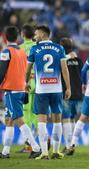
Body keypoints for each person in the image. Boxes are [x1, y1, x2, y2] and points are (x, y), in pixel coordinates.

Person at [25, 25, 71, 160]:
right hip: (56, 89)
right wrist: (68, 87)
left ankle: (44, 152)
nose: (34, 36)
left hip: (42, 90)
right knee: (57, 121)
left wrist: (26, 82)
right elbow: (64, 69)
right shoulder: (59, 48)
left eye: (36, 33)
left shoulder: (35, 48)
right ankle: (56, 151)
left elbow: (28, 70)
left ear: (42, 34)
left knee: (42, 121)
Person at [0, 26, 41, 159]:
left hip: (12, 89)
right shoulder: (22, 51)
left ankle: (35, 147)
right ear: (17, 37)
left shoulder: (7, 51)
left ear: (5, 37)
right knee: (9, 120)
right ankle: (5, 152)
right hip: (21, 88)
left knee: (18, 119)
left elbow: (1, 71)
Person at [60, 37, 83, 152]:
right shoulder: (79, 60)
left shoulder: (63, 60)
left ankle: (68, 145)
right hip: (78, 93)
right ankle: (72, 143)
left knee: (65, 119)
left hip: (66, 92)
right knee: (72, 118)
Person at [19, 24, 38, 153]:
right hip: (38, 85)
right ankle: (39, 142)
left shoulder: (19, 49)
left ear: (22, 34)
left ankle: (29, 144)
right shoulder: (38, 48)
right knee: (36, 115)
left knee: (25, 115)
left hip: (23, 85)